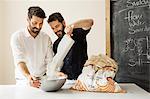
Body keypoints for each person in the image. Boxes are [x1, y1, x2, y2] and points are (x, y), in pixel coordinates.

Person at [47, 12, 94, 80]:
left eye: (57, 26)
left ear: (63, 23)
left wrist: (72, 26)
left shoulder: (77, 33)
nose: (56, 30)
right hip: (66, 81)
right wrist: (56, 73)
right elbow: (57, 64)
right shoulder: (56, 44)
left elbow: (90, 22)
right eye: (53, 28)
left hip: (82, 78)